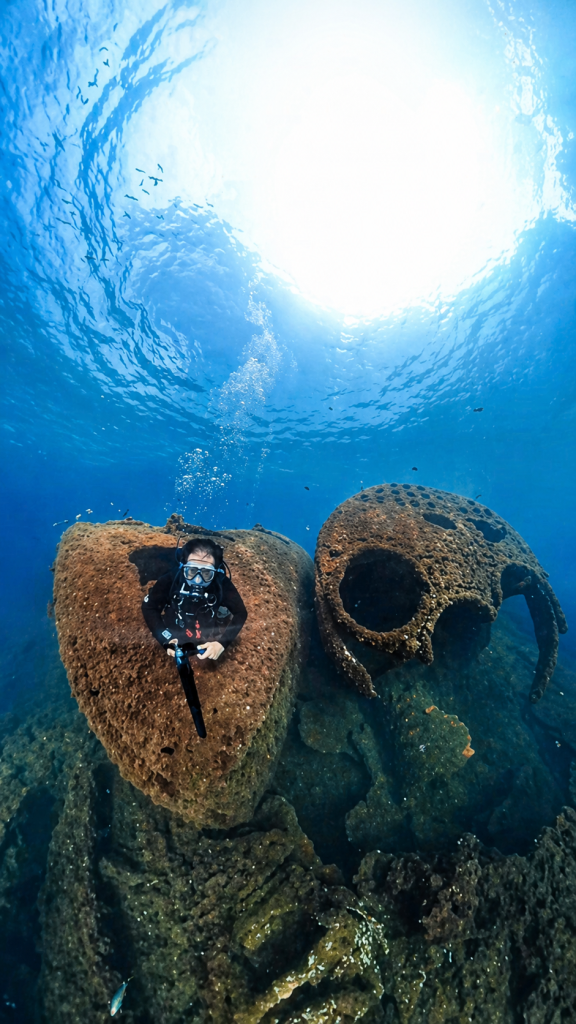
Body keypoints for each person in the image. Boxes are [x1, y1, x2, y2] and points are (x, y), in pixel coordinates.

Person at [141, 537, 247, 661]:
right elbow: (149, 607)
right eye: (191, 571)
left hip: (206, 627)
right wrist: (165, 638)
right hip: (175, 626)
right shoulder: (171, 578)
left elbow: (241, 612)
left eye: (206, 573)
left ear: (215, 572)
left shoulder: (221, 583)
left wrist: (221, 644)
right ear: (183, 567)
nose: (198, 580)